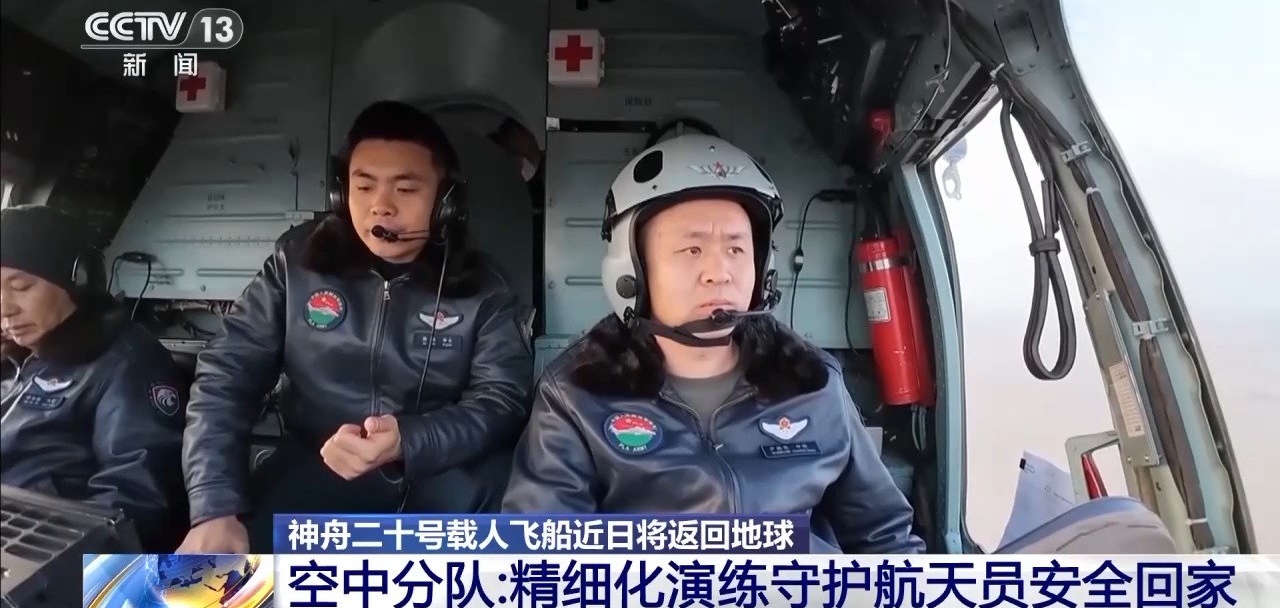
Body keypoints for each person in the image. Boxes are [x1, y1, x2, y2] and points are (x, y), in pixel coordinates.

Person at [502, 134, 926, 554]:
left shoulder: (812, 381)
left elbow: (885, 540)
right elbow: (542, 558)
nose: (720, 272)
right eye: (692, 249)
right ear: (632, 270)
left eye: (737, 249)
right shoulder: (577, 395)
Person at [178, 101, 534, 553]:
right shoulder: (295, 264)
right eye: (364, 187)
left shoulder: (484, 288)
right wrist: (214, 508)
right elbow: (227, 376)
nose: (380, 207)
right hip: (317, 462)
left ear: (446, 202)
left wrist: (410, 440)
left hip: (445, 470)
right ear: (340, 193)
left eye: (405, 189)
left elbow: (502, 400)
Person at [0, 205, 187, 550]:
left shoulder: (126, 364)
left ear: (80, 282)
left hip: (47, 549)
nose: (4, 307)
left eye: (21, 287)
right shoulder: (18, 357)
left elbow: (135, 500)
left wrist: (35, 553)